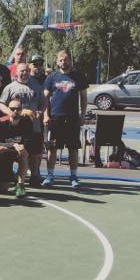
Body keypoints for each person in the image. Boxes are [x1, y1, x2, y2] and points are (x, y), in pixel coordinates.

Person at [43, 50, 89, 188]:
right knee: (52, 148)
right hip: (55, 118)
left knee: (73, 148)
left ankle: (73, 176)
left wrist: (82, 115)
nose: (64, 62)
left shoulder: (79, 76)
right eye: (61, 60)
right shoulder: (52, 77)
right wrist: (46, 115)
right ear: (57, 62)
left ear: (70, 60)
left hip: (72, 118)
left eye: (66, 59)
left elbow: (84, 98)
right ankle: (50, 176)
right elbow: (45, 98)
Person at [0, 62, 47, 185]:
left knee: (35, 153)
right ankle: (9, 176)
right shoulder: (10, 87)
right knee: (13, 151)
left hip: (33, 125)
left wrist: (40, 112)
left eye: (26, 70)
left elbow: (44, 103)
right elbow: (1, 104)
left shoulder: (37, 86)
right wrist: (11, 113)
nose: (24, 73)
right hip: (16, 126)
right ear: (16, 72)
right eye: (22, 71)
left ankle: (34, 176)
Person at [0, 99, 35, 197]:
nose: (16, 111)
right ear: (8, 109)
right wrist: (14, 145)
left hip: (18, 152)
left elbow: (29, 140)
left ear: (22, 109)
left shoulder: (27, 121)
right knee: (3, 189)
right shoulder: (1, 122)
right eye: (12, 109)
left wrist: (23, 146)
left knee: (24, 153)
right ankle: (9, 176)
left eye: (18, 109)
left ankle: (20, 185)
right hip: (5, 153)